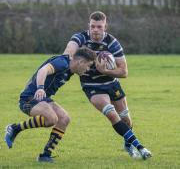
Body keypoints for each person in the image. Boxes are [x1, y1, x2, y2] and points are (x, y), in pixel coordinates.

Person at [63, 11, 152, 160]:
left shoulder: (112, 42)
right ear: (89, 26)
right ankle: (140, 148)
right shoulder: (80, 37)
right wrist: (68, 59)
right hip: (92, 86)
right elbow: (69, 50)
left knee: (126, 119)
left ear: (105, 26)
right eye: (93, 26)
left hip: (111, 84)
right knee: (112, 114)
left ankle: (128, 144)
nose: (95, 30)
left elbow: (124, 72)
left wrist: (104, 70)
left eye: (99, 26)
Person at [4, 47, 96, 163]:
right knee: (52, 119)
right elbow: (43, 70)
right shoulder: (62, 63)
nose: (87, 69)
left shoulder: (70, 70)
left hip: (42, 99)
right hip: (29, 99)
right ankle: (14, 128)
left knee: (64, 118)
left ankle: (45, 155)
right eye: (88, 65)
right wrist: (40, 88)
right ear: (80, 62)